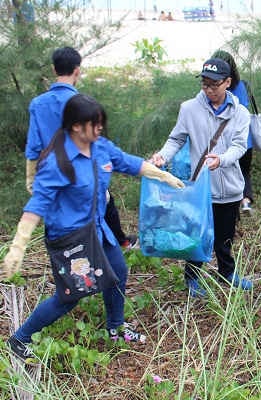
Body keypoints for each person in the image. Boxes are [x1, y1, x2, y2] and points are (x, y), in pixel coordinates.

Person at [2, 94, 185, 361]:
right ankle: (20, 339)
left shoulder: (100, 147)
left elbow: (130, 162)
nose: (100, 128)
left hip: (97, 229)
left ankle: (115, 327)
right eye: (95, 123)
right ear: (77, 126)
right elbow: (36, 206)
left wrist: (163, 175)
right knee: (69, 297)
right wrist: (17, 247)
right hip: (72, 238)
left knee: (118, 271)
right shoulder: (56, 162)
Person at [150, 57, 253, 297]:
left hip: (228, 187)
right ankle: (192, 279)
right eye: (204, 84)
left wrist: (222, 159)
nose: (208, 90)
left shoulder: (240, 113)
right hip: (200, 187)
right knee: (196, 234)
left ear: (227, 82)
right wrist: (163, 156)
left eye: (214, 85)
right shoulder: (189, 108)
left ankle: (227, 272)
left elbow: (239, 146)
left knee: (224, 237)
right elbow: (176, 138)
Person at [25, 46, 137, 250]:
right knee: (101, 206)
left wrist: (31, 177)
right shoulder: (81, 103)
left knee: (59, 214)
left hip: (52, 170)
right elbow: (96, 141)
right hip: (83, 167)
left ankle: (69, 256)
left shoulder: (38, 104)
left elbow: (33, 146)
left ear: (53, 69)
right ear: (77, 70)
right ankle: (115, 245)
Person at [211, 49, 254, 214]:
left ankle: (233, 210)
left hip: (227, 142)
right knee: (244, 171)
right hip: (246, 140)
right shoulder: (243, 86)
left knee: (228, 175)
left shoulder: (219, 90)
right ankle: (245, 201)